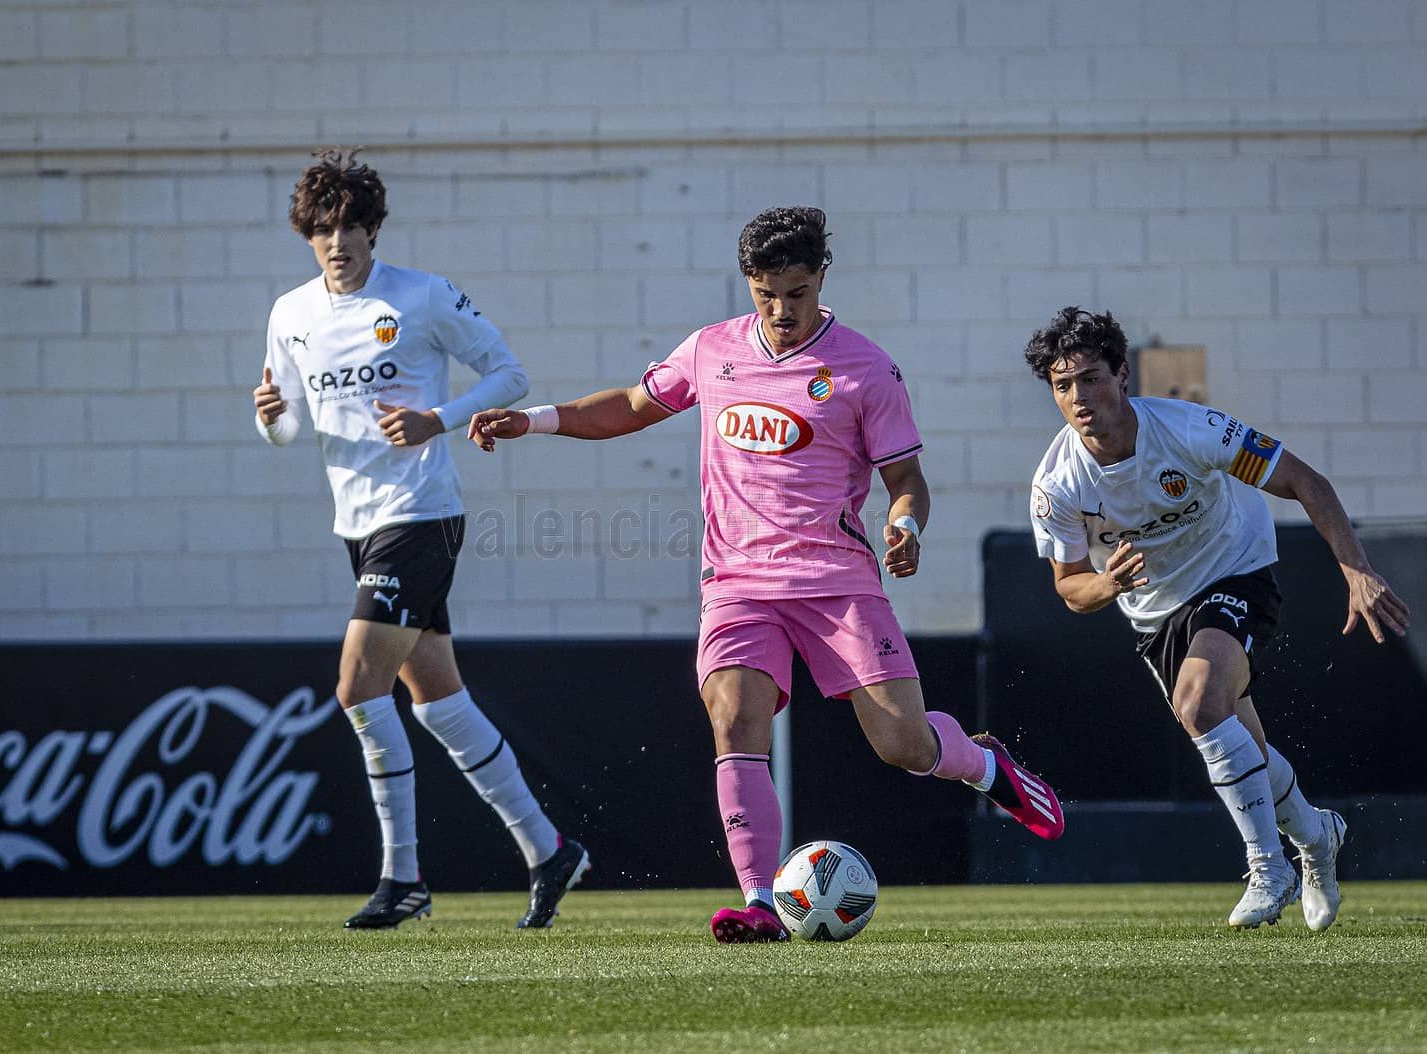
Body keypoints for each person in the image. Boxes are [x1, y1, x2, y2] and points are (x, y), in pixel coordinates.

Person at [468, 206, 1064, 944]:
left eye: (796, 291)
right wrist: (531, 419)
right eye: (766, 293)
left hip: (836, 582)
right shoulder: (711, 349)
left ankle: (986, 767)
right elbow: (629, 406)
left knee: (904, 747)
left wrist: (904, 525)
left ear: (821, 280)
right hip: (738, 583)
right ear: (748, 283)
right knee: (733, 715)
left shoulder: (865, 369)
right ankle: (760, 901)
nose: (781, 309)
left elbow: (907, 479)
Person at [252, 149, 588, 930]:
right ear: (308, 237)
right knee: (437, 701)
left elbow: (510, 376)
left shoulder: (421, 297)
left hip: (421, 513)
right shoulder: (290, 314)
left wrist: (439, 419)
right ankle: (548, 849)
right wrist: (271, 417)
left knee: (357, 690)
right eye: (324, 230)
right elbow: (289, 427)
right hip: (356, 524)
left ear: (374, 228)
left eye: (352, 226)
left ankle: (401, 878)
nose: (339, 242)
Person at [1023, 306, 1410, 931]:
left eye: (1091, 378)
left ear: (1123, 375)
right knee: (1245, 750)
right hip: (1155, 614)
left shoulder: (1188, 429)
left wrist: (1356, 569)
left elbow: (1306, 481)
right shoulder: (1057, 482)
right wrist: (1107, 583)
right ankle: (1318, 838)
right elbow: (1071, 590)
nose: (1079, 396)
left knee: (1200, 704)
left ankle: (1269, 869)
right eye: (1063, 385)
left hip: (1235, 569)